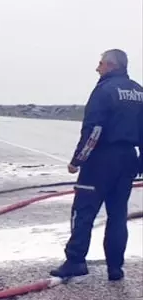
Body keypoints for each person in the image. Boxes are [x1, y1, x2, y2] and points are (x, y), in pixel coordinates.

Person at [51, 49, 143, 282]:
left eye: (100, 63)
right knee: (117, 214)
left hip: (101, 160)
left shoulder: (104, 91)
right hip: (127, 160)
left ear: (111, 65)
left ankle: (75, 261)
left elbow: (94, 130)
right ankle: (115, 267)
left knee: (83, 211)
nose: (97, 68)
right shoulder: (138, 92)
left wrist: (77, 160)